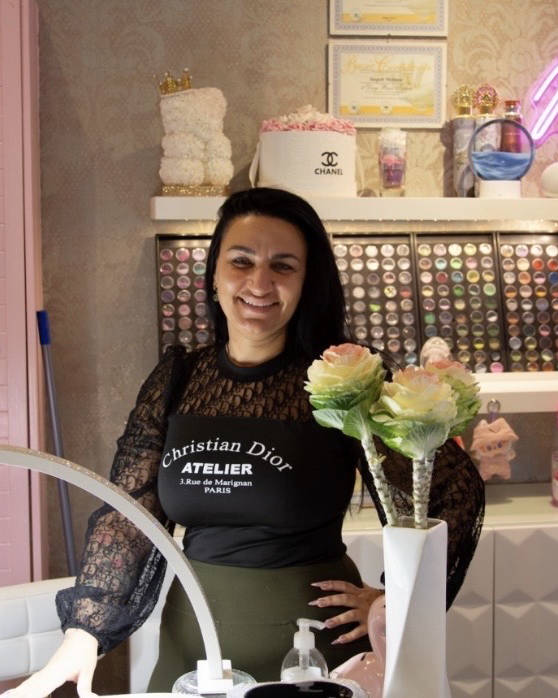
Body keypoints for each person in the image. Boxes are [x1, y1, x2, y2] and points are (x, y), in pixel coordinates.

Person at [5, 187, 484, 696]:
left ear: (306, 283)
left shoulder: (344, 383)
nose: (259, 282)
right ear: (214, 274)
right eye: (241, 261)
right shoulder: (178, 380)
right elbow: (128, 518)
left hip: (313, 654)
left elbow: (449, 493)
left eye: (283, 266)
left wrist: (391, 601)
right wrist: (82, 636)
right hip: (193, 648)